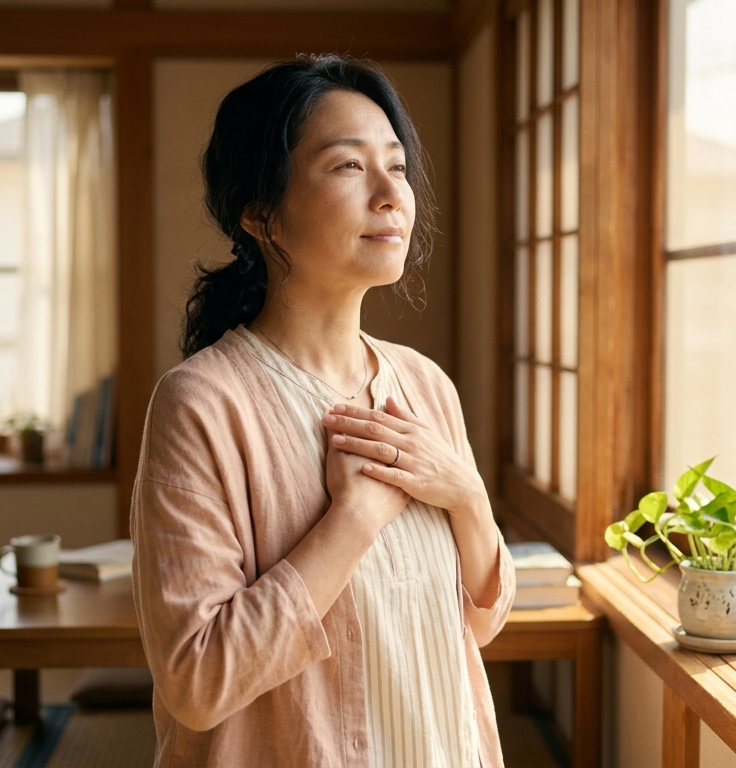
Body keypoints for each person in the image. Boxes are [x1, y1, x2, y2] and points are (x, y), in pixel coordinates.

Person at [131, 55, 515, 768]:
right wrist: (353, 521)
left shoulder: (426, 385)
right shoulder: (203, 404)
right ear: (260, 212)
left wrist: (467, 496)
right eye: (347, 167)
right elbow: (197, 681)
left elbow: (480, 620)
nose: (390, 194)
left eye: (396, 167)